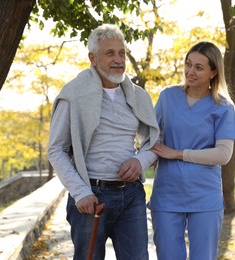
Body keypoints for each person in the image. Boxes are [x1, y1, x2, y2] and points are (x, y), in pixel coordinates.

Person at [47, 24, 159, 260]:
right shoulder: (73, 95)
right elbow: (56, 149)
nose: (118, 60)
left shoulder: (138, 96)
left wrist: (140, 161)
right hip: (91, 198)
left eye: (122, 53)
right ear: (93, 58)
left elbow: (154, 142)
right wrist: (81, 193)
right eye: (110, 53)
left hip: (131, 196)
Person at [148, 41, 235, 260]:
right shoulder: (167, 97)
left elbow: (223, 154)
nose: (190, 71)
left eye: (199, 67)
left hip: (205, 197)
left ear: (213, 71)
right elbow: (149, 135)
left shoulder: (224, 108)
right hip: (167, 195)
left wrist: (177, 153)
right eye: (188, 64)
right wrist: (148, 155)